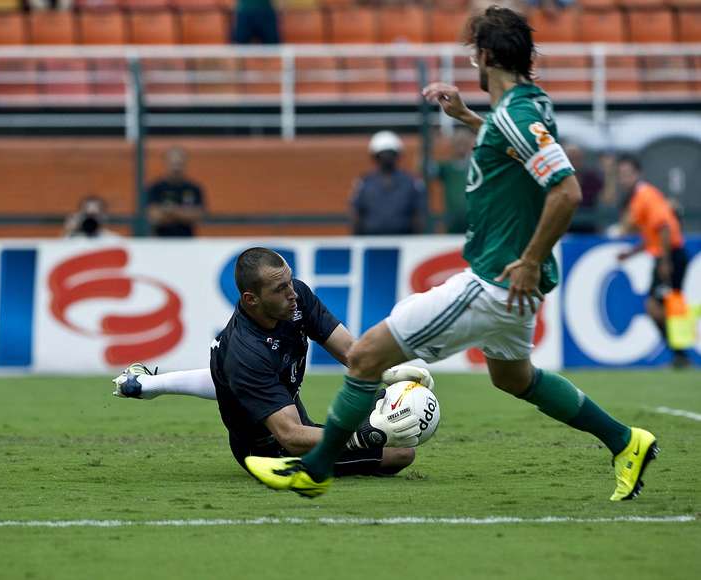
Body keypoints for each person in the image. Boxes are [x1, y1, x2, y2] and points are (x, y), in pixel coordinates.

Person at [245, 6, 658, 502]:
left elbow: (566, 191)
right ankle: (625, 441)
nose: (473, 64)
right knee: (514, 377)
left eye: (474, 56)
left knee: (366, 356)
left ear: (487, 56)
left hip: (495, 281)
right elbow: (517, 148)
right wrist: (467, 117)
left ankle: (314, 470)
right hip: (513, 285)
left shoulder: (517, 115)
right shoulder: (528, 106)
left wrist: (529, 259)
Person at [112, 247, 432, 478]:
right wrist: (363, 435)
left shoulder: (295, 299)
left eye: (290, 282)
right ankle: (148, 385)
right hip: (268, 449)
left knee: (381, 409)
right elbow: (290, 436)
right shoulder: (245, 352)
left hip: (286, 411)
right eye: (280, 289)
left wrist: (389, 371)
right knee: (400, 452)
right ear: (251, 299)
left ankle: (147, 384)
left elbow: (350, 350)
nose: (292, 293)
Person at [615, 154, 690, 369]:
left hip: (671, 255)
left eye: (628, 174)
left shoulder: (645, 196)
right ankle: (680, 354)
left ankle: (680, 353)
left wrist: (665, 261)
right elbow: (653, 236)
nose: (624, 179)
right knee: (665, 306)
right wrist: (632, 253)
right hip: (667, 254)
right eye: (621, 174)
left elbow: (664, 227)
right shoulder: (639, 198)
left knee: (656, 307)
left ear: (638, 174)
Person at [351, 131, 428, 236]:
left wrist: (417, 240)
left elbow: (419, 215)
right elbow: (357, 214)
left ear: (397, 155)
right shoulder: (364, 183)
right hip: (371, 239)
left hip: (404, 239)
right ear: (375, 156)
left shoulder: (412, 182)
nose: (386, 157)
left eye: (390, 153)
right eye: (382, 154)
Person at [146, 147, 205, 237]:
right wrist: (184, 214)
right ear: (166, 163)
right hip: (160, 240)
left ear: (185, 164)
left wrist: (171, 211)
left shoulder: (194, 188)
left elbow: (197, 216)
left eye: (179, 164)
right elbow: (154, 215)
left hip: (187, 240)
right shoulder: (156, 187)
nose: (176, 168)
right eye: (173, 164)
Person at [435, 126, 476, 234]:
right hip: (452, 219)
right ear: (453, 145)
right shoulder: (447, 167)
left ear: (468, 145)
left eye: (463, 143)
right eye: (458, 143)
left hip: (472, 218)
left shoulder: (475, 167)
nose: (461, 147)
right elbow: (424, 168)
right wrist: (433, 142)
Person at [565, 143, 604, 234]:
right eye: (571, 158)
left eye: (577, 158)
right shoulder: (559, 179)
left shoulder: (591, 178)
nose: (574, 162)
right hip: (565, 226)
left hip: (590, 226)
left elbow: (606, 199)